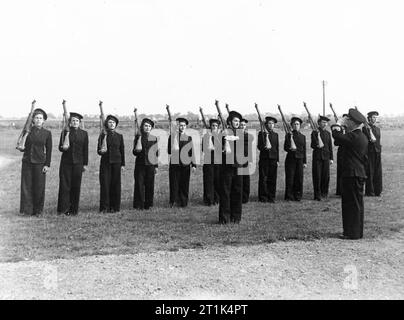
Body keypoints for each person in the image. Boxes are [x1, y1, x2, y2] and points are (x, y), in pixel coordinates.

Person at [331, 108, 368, 240]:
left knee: (350, 204)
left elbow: (336, 136)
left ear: (353, 122)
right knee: (356, 204)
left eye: (349, 120)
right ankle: (356, 232)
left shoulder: (354, 136)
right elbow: (338, 141)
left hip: (352, 174)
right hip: (358, 173)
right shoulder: (361, 136)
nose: (347, 122)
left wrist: (338, 123)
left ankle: (351, 233)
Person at [19, 108, 52, 216]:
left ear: (43, 121)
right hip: (27, 162)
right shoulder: (27, 131)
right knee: (26, 186)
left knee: (39, 187)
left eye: (40, 118)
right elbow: (22, 146)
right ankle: (27, 210)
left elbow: (49, 150)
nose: (38, 120)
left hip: (40, 163)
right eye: (36, 118)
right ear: (33, 119)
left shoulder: (47, 133)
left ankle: (38, 211)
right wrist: (21, 146)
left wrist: (47, 164)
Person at [57, 112, 89, 215]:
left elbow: (85, 150)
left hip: (78, 164)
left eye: (76, 121)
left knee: (76, 186)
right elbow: (60, 147)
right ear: (70, 122)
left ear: (79, 122)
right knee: (64, 186)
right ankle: (63, 209)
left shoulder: (84, 134)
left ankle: (74, 210)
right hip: (66, 163)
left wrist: (85, 164)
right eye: (73, 121)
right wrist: (63, 147)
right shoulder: (65, 132)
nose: (75, 122)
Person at [219, 110, 244, 224]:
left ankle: (236, 217)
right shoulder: (223, 133)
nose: (237, 123)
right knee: (225, 192)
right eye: (235, 120)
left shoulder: (240, 133)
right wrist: (224, 138)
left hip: (238, 166)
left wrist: (231, 137)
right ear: (229, 122)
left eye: (238, 121)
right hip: (227, 168)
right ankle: (224, 218)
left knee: (237, 192)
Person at [97, 115, 125, 213]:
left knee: (116, 185)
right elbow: (99, 151)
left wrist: (123, 165)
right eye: (110, 122)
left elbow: (122, 151)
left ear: (116, 125)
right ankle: (105, 207)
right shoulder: (102, 135)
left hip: (117, 163)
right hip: (105, 164)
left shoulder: (119, 136)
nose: (111, 124)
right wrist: (102, 151)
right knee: (105, 185)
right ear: (107, 124)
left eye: (113, 123)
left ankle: (115, 207)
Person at [168, 117, 196, 207]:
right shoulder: (172, 137)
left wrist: (194, 164)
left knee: (184, 184)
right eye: (180, 125)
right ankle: (173, 201)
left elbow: (192, 152)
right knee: (174, 183)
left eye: (184, 125)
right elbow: (169, 151)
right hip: (175, 165)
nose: (182, 127)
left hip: (185, 165)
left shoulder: (189, 138)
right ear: (177, 126)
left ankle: (183, 202)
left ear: (186, 127)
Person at [133, 118, 158, 210]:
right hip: (140, 165)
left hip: (150, 165)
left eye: (149, 126)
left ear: (151, 128)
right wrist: (138, 143)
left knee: (150, 185)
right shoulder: (138, 137)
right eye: (146, 126)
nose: (147, 128)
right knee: (139, 185)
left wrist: (156, 166)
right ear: (142, 127)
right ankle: (139, 204)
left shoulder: (154, 138)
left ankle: (148, 204)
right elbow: (134, 153)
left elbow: (156, 153)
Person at [310, 116, 333, 201]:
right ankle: (317, 195)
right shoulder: (314, 132)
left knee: (326, 176)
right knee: (317, 176)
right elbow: (312, 145)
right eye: (323, 122)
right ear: (319, 123)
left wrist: (331, 158)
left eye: (326, 122)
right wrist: (317, 143)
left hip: (326, 157)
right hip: (317, 157)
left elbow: (330, 146)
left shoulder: (328, 133)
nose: (325, 124)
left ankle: (324, 193)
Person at [284, 117, 307, 201]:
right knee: (290, 178)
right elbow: (285, 148)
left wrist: (304, 162)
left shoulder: (303, 136)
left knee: (299, 178)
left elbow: (304, 150)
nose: (296, 126)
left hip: (300, 160)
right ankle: (289, 196)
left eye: (298, 124)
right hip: (291, 159)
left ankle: (298, 196)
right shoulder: (288, 135)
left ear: (300, 126)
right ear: (292, 126)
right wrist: (290, 147)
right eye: (294, 124)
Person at [257, 116, 279, 203]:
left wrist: (277, 160)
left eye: (272, 123)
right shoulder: (261, 134)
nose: (271, 125)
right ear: (266, 124)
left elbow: (277, 148)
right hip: (264, 159)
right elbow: (259, 146)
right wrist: (264, 147)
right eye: (269, 123)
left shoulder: (275, 135)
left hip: (273, 159)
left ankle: (271, 196)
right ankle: (263, 197)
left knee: (272, 178)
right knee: (263, 178)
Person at [202, 118, 221, 206]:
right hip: (208, 161)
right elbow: (204, 149)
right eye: (213, 125)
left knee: (218, 180)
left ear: (218, 127)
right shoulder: (206, 136)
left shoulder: (220, 136)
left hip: (218, 161)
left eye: (216, 126)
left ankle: (217, 199)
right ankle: (208, 200)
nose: (214, 127)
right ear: (210, 126)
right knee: (208, 180)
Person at [363, 111, 382, 196]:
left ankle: (377, 190)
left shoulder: (377, 129)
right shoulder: (365, 129)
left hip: (377, 152)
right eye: (373, 117)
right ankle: (370, 191)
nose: (375, 119)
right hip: (369, 152)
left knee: (378, 172)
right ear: (369, 118)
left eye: (376, 117)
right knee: (370, 172)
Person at [240, 118, 254, 204]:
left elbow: (249, 149)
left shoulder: (248, 136)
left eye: (244, 125)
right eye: (241, 125)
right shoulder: (235, 135)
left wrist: (251, 160)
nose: (242, 126)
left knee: (245, 179)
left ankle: (245, 197)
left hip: (245, 160)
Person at [334, 121, 347, 196]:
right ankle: (339, 190)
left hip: (348, 153)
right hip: (341, 153)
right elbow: (336, 143)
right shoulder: (339, 132)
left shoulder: (350, 132)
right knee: (340, 171)